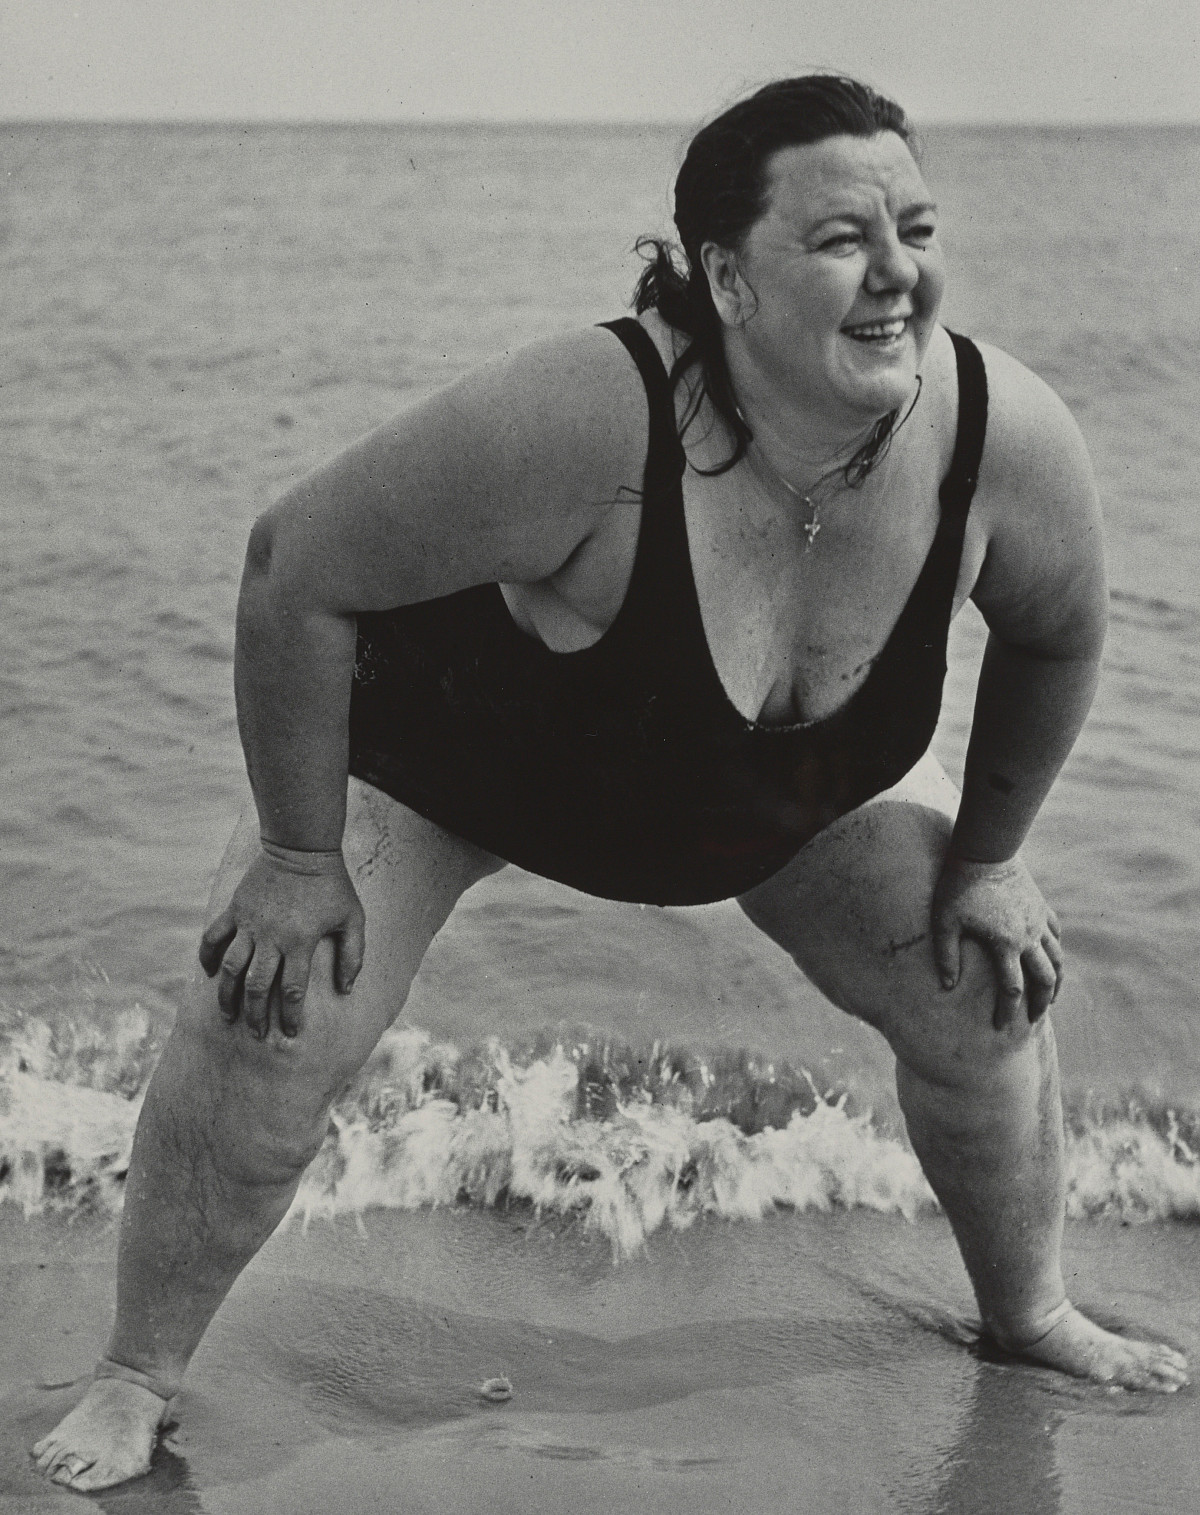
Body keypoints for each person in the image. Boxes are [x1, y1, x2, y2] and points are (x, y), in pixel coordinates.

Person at [33, 73, 1188, 1492]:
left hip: (779, 795)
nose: (899, 271)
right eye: (840, 239)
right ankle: (136, 1374)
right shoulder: (593, 418)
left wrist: (996, 851)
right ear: (726, 276)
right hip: (462, 764)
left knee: (983, 977)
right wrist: (292, 854)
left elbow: (1060, 631)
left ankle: (1030, 1314)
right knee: (274, 1000)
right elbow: (293, 568)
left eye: (918, 223)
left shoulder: (1003, 441)